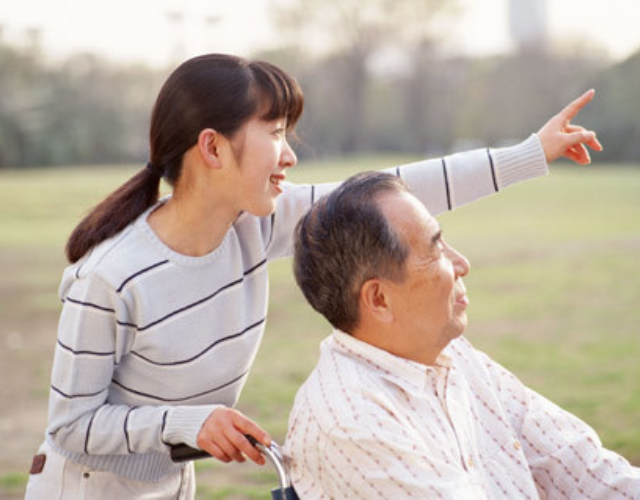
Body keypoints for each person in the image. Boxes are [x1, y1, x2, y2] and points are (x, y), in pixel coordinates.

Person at [25, 51, 600, 499]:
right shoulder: (111, 278)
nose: (289, 154)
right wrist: (189, 423)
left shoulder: (258, 225)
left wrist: (530, 153)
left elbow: (387, 192)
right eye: (274, 133)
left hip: (174, 483)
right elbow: (71, 425)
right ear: (213, 148)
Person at [286, 171, 640, 499]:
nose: (461, 263)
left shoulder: (454, 358)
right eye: (435, 248)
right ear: (379, 299)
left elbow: (582, 466)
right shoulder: (352, 419)